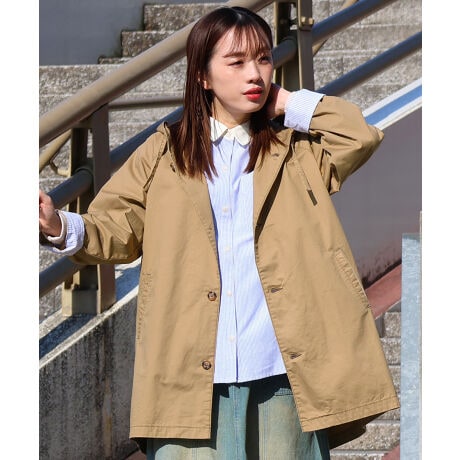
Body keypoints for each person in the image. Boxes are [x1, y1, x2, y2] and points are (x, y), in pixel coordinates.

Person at [39, 6, 399, 459]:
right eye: (237, 61)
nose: (255, 73)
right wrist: (57, 225)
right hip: (189, 376)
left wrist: (285, 102)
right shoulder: (164, 152)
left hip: (280, 371)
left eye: (263, 59)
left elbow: (359, 135)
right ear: (203, 76)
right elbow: (115, 227)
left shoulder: (296, 152)